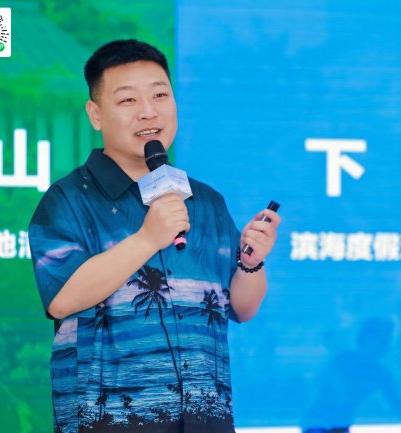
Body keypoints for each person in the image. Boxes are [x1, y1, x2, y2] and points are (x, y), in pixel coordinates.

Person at [29, 39, 281, 433]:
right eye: (128, 100)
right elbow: (62, 298)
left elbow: (241, 309)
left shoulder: (205, 201)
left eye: (160, 95)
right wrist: (148, 238)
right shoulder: (68, 200)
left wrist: (251, 263)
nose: (148, 111)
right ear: (96, 114)